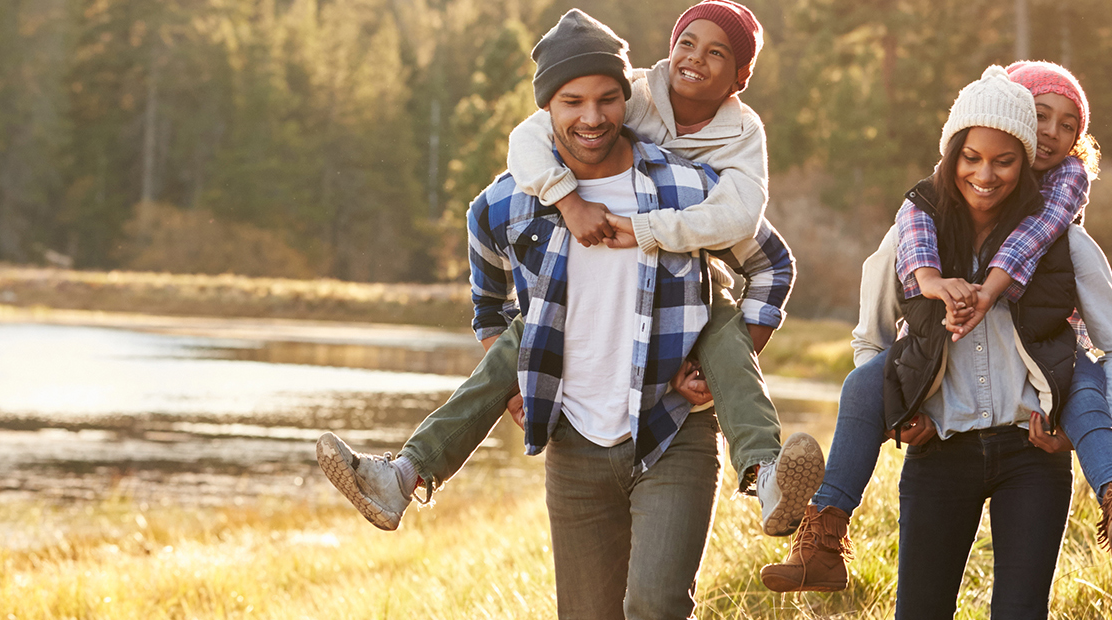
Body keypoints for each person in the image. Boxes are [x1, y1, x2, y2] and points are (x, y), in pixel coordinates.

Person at [330, 10, 796, 617]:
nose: (592, 117)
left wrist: (731, 360)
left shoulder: (691, 187)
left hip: (671, 426)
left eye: (607, 99)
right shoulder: (507, 202)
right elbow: (490, 302)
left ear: (626, 103)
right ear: (545, 108)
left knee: (656, 606)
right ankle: (405, 475)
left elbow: (772, 262)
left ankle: (766, 475)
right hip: (574, 440)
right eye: (571, 101)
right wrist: (519, 381)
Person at [759, 61, 1112, 595]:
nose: (985, 174)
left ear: (1026, 164)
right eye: (971, 158)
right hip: (939, 453)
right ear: (952, 156)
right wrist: (904, 414)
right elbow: (870, 343)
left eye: (1005, 161)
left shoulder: (1063, 241)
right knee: (920, 608)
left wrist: (1079, 429)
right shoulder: (911, 236)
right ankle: (824, 538)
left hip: (1031, 456)